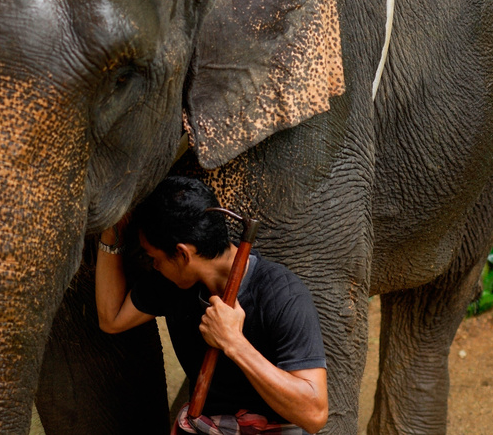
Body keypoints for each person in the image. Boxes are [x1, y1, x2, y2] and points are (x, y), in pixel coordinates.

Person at [95, 177, 328, 435]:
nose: (154, 267)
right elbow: (111, 318)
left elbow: (314, 414)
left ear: (183, 254)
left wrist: (234, 343)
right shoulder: (174, 283)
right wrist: (111, 233)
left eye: (154, 258)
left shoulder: (283, 295)